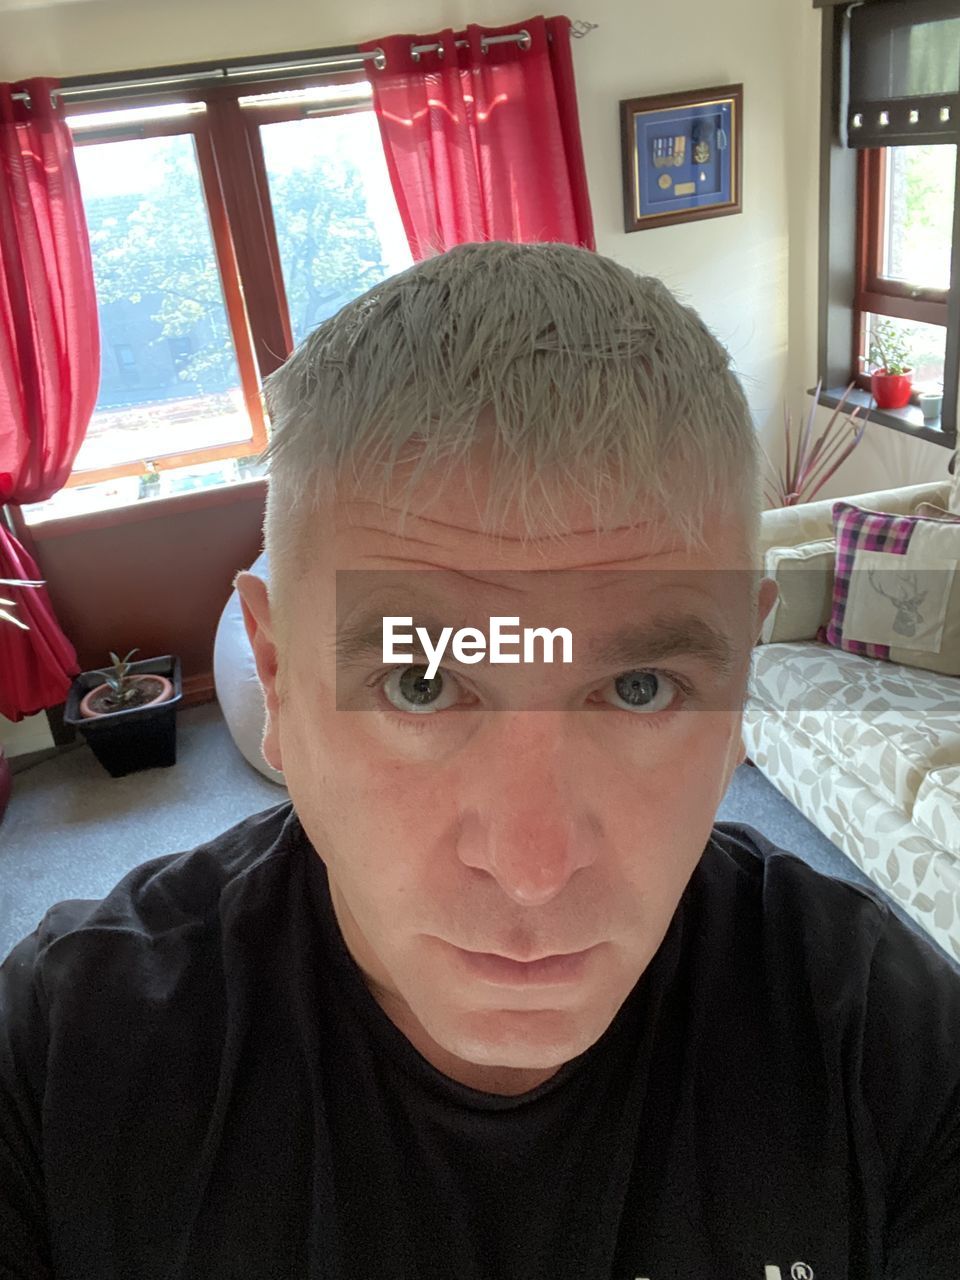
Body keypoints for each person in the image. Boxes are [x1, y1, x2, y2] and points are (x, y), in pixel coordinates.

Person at [1, 242, 957, 1280]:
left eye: (639, 687)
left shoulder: (891, 1047)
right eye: (421, 682)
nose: (533, 865)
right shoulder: (59, 1061)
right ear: (275, 678)